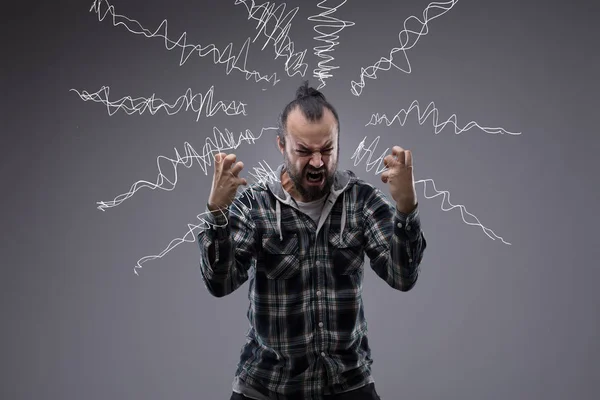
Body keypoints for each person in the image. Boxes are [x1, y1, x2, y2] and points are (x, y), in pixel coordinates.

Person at [197, 81, 427, 400]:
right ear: (282, 146)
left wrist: (406, 209)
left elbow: (402, 277)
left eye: (327, 150)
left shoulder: (361, 201)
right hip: (267, 388)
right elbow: (219, 284)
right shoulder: (255, 205)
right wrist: (217, 215)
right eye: (304, 151)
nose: (317, 163)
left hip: (347, 385)